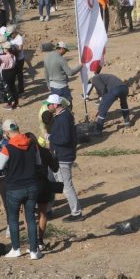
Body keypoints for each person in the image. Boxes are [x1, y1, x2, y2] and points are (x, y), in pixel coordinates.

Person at [0, 128, 42, 260]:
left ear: (7, 133)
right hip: (31, 186)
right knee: (30, 218)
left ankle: (16, 249)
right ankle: (34, 251)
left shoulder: (7, 148)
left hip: (14, 189)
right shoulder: (33, 144)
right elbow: (38, 164)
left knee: (13, 219)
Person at [47, 94, 83, 222]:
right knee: (50, 181)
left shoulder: (63, 118)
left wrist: (50, 138)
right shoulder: (63, 116)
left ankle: (77, 213)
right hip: (59, 156)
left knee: (66, 186)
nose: (47, 106)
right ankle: (48, 209)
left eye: (49, 104)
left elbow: (65, 138)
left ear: (55, 105)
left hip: (63, 156)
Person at [86, 65, 131, 133]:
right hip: (124, 88)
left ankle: (98, 130)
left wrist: (101, 106)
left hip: (115, 89)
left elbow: (103, 90)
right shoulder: (102, 76)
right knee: (124, 105)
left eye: (90, 82)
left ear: (90, 79)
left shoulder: (95, 78)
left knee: (103, 109)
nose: (92, 83)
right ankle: (127, 123)